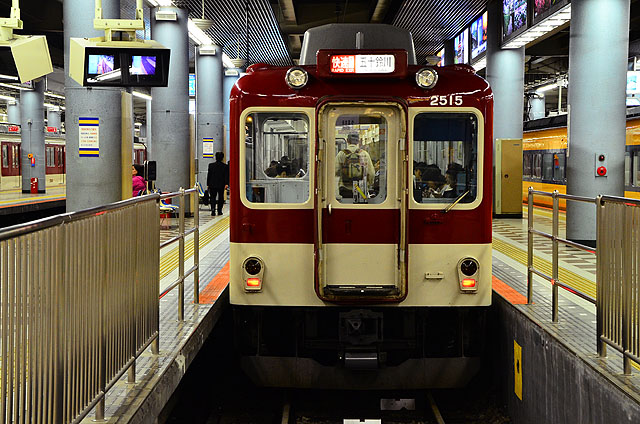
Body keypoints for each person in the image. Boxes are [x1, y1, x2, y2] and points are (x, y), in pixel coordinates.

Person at [335, 132, 375, 199]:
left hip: (345, 189)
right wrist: (368, 185)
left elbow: (335, 171)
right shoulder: (364, 154)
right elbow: (371, 173)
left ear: (347, 141)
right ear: (358, 141)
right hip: (360, 189)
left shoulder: (341, 154)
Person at [207, 151, 229, 216]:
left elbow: (209, 175)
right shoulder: (225, 166)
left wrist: (208, 184)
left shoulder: (211, 165)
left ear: (215, 157)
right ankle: (219, 211)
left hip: (212, 184)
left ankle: (213, 210)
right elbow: (226, 176)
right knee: (220, 198)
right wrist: (226, 183)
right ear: (222, 158)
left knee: (212, 197)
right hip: (221, 184)